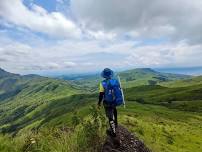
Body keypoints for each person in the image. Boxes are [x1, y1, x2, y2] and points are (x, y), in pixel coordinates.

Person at [98, 68, 119, 137]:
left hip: (107, 102)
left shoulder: (102, 83)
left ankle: (113, 133)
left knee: (110, 117)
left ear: (104, 75)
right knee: (114, 109)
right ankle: (116, 122)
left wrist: (99, 103)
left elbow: (101, 94)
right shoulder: (114, 81)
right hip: (114, 100)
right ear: (110, 74)